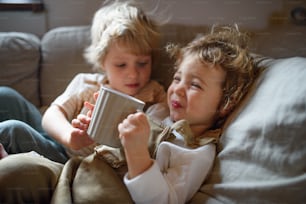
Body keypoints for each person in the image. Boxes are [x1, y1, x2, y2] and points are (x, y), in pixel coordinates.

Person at [0, 24, 259, 203]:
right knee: (9, 117)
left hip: (77, 176)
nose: (177, 89)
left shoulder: (195, 150)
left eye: (194, 85)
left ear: (226, 103)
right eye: (177, 78)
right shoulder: (161, 114)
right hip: (78, 164)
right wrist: (88, 126)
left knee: (12, 137)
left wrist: (136, 153)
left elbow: (162, 200)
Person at [0, 0, 166, 163]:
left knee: (11, 130)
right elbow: (52, 115)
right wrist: (69, 136)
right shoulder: (87, 83)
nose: (133, 74)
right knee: (5, 96)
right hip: (60, 137)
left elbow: (165, 130)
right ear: (102, 62)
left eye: (142, 63)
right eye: (121, 65)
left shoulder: (154, 93)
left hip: (66, 160)